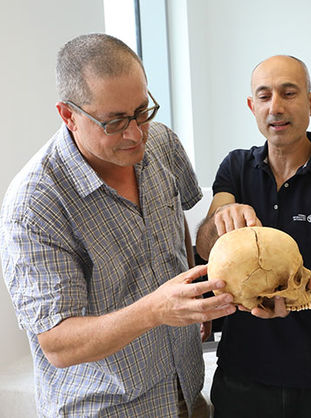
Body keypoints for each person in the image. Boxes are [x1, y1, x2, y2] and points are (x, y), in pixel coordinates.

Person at [0, 33, 236, 417]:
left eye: (142, 110)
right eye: (115, 122)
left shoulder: (161, 143)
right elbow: (58, 345)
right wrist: (157, 309)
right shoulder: (34, 205)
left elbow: (175, 220)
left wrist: (189, 292)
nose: (135, 133)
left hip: (186, 393)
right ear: (68, 116)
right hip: (107, 409)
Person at [196, 55, 311, 418]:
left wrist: (298, 294)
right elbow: (207, 248)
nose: (275, 107)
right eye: (264, 96)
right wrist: (221, 218)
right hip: (242, 376)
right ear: (252, 106)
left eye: (289, 93)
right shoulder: (235, 166)